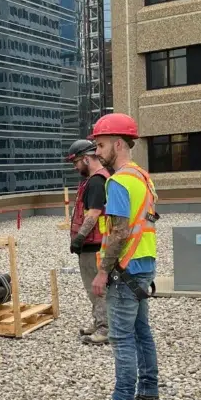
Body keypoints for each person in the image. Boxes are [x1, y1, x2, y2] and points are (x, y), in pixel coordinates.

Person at [82, 113, 166, 400]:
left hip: (124, 270)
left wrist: (102, 273)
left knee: (122, 338)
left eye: (101, 145)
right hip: (143, 265)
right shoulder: (143, 177)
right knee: (142, 333)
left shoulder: (116, 182)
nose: (97, 151)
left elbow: (117, 233)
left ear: (118, 144)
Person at [66, 139, 110, 345]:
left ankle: (104, 328)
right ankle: (99, 322)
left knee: (97, 287)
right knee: (93, 288)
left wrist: (80, 238)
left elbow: (93, 213)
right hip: (92, 244)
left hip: (94, 245)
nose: (75, 167)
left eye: (76, 162)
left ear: (86, 158)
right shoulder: (93, 180)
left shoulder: (96, 182)